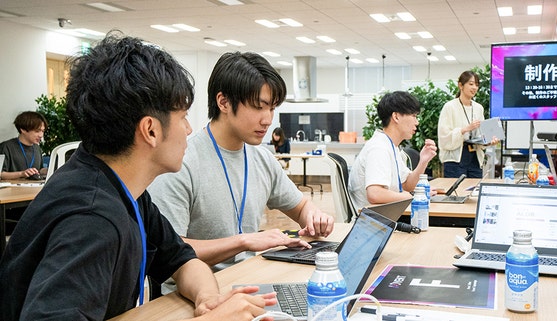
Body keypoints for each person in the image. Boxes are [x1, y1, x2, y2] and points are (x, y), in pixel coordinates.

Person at [0, 33, 276, 320]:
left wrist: (208, 299)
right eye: (183, 117)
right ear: (151, 130)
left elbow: (182, 260)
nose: (189, 130)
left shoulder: (124, 189)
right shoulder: (92, 219)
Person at [148, 52, 334, 274]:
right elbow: (168, 250)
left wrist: (313, 216)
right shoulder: (181, 163)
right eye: (258, 107)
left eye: (272, 108)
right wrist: (244, 241)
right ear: (224, 102)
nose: (268, 119)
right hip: (190, 294)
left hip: (247, 279)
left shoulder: (262, 158)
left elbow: (301, 206)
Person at [349, 91, 438, 210]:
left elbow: (406, 185)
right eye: (413, 116)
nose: (417, 122)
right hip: (373, 222)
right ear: (396, 117)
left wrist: (423, 162)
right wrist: (411, 196)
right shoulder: (379, 148)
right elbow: (375, 194)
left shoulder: (391, 146)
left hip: (387, 215)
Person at [437, 70, 498, 178]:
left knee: (474, 191)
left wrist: (489, 141)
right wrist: (465, 129)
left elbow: (481, 135)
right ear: (460, 85)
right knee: (456, 192)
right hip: (455, 159)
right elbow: (443, 136)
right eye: (471, 84)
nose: (474, 87)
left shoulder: (478, 108)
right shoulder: (449, 106)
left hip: (474, 157)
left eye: (477, 85)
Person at [0, 111, 48, 180]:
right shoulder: (6, 147)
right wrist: (22, 174)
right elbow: (1, 174)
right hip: (12, 189)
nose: (41, 135)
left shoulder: (37, 148)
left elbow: (39, 170)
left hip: (33, 188)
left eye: (43, 131)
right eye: (37, 131)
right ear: (23, 129)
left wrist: (48, 170)